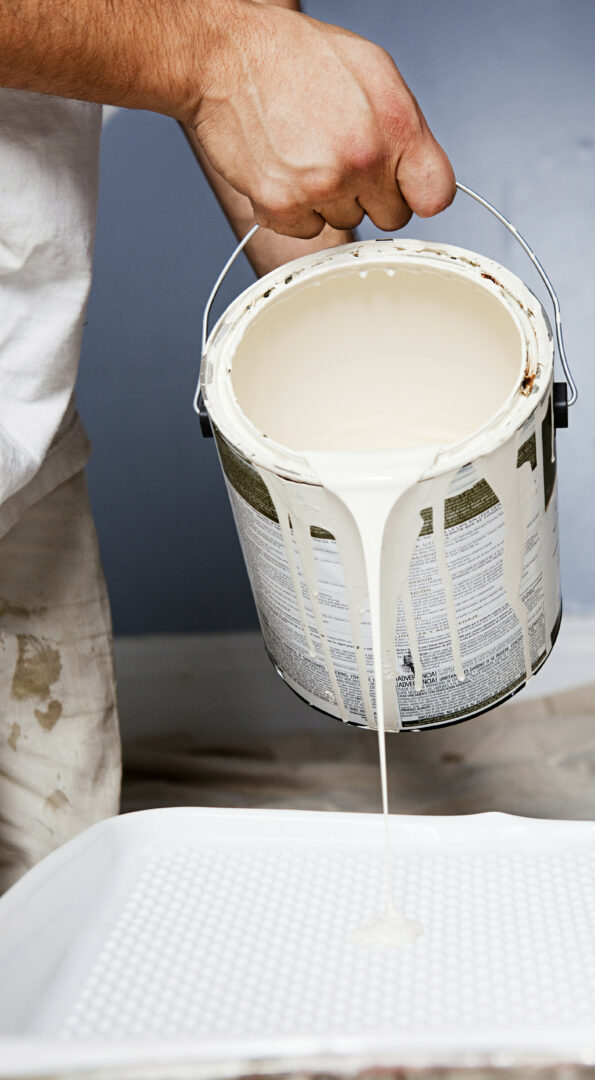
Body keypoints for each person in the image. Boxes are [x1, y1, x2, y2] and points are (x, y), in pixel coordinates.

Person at [0, 0, 455, 890]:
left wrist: (349, 350)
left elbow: (244, 32)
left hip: (27, 394)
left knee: (58, 908)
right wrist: (211, 54)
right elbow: (221, 42)